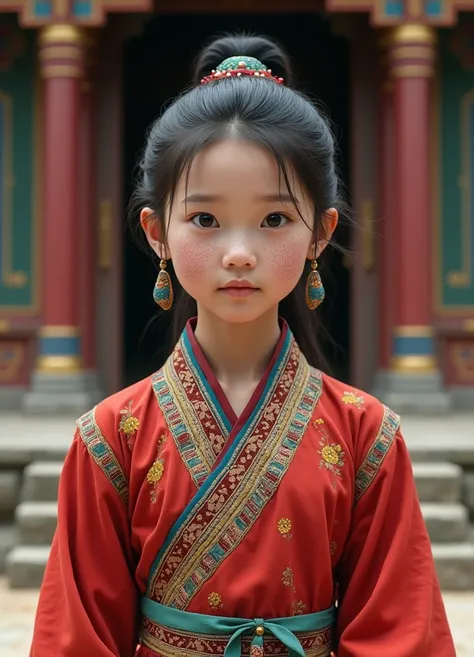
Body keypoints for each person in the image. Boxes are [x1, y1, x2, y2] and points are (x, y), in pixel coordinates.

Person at [30, 34, 455, 657]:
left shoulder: (367, 437)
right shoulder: (109, 437)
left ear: (321, 231)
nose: (238, 252)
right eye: (205, 219)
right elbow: (76, 638)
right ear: (157, 232)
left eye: (275, 220)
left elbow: (401, 632)